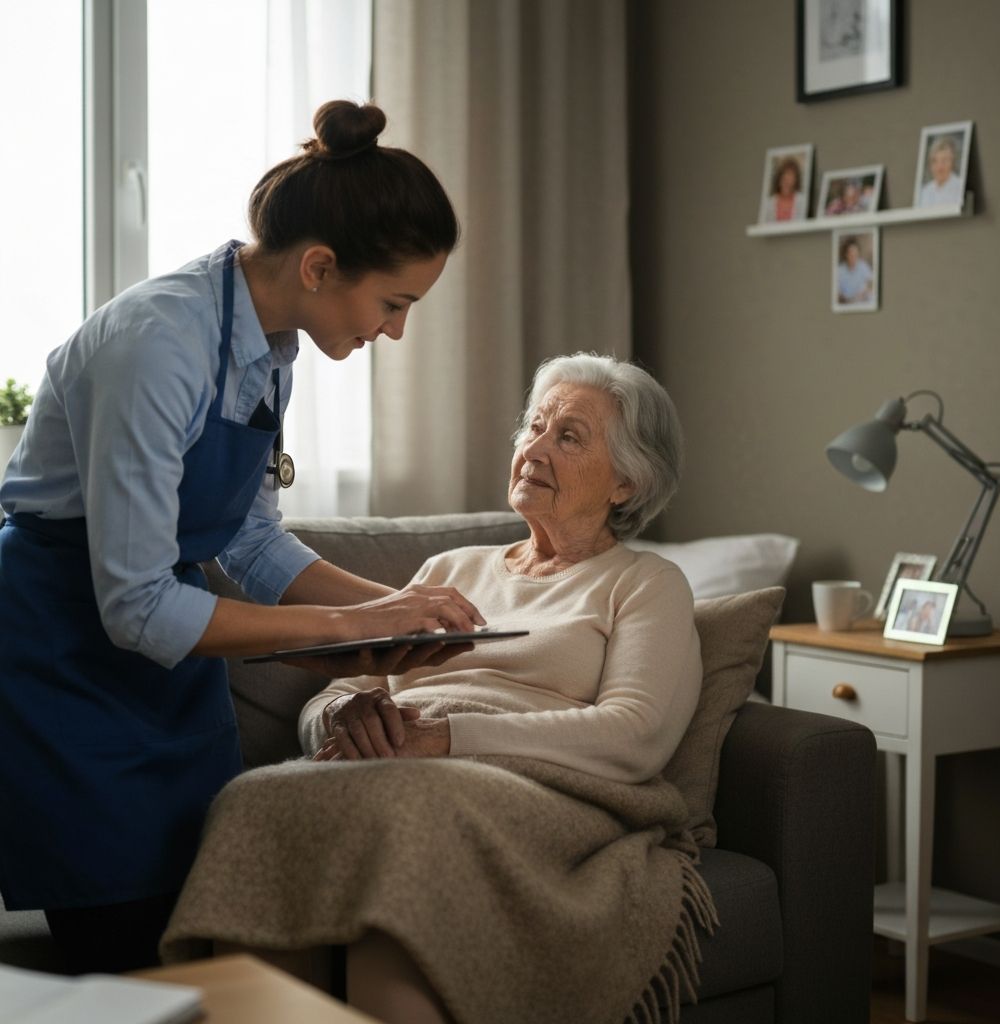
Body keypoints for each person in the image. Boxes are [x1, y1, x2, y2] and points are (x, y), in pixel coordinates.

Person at [0, 100, 484, 974]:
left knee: (217, 932)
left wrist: (399, 610)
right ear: (320, 266)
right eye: (394, 302)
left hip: (171, 666)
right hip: (64, 648)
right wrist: (345, 632)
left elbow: (251, 544)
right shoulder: (156, 347)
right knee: (126, 954)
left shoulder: (273, 345)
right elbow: (138, 606)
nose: (396, 330)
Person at [282, 353, 704, 1024]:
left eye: (567, 436)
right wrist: (344, 720)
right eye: (533, 427)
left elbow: (635, 736)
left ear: (626, 482)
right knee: (258, 800)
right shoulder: (451, 568)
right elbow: (336, 690)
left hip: (551, 790)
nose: (534, 448)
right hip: (404, 771)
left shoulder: (644, 583)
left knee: (403, 816)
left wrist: (445, 738)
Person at [919, 135, 963, 207]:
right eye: (935, 161)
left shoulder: (961, 187)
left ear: (952, 162)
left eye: (944, 160)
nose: (939, 167)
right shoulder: (925, 191)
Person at [761, 155, 808, 222]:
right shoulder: (769, 203)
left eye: (790, 176)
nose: (786, 181)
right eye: (784, 176)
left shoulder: (802, 201)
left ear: (796, 180)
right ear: (779, 179)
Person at [836, 237, 874, 304]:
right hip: (846, 303)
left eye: (855, 252)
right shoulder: (839, 270)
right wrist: (847, 300)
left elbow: (871, 284)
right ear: (846, 254)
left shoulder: (863, 266)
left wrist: (863, 294)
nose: (853, 255)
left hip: (862, 300)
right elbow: (838, 293)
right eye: (851, 252)